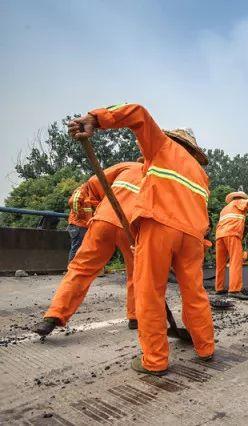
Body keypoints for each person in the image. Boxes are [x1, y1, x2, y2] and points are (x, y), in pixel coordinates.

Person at [68, 103, 214, 376]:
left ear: (171, 139)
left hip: (159, 228)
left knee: (150, 293)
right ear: (194, 152)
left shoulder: (161, 147)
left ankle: (155, 361)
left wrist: (95, 119)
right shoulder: (201, 174)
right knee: (194, 293)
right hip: (193, 237)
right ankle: (205, 347)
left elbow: (137, 112)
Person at [33, 161, 144, 337]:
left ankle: (54, 315)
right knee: (137, 273)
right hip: (132, 228)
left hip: (104, 220)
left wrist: (105, 203)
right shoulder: (161, 178)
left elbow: (94, 182)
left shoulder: (129, 166)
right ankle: (135, 317)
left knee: (80, 269)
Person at [215, 191, 248, 299]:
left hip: (219, 235)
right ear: (241, 197)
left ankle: (219, 288)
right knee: (235, 261)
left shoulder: (225, 208)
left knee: (220, 263)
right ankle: (234, 290)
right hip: (232, 234)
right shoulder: (243, 201)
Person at [66, 185, 96, 262]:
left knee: (81, 248)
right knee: (77, 248)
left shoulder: (89, 192)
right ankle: (72, 271)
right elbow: (73, 201)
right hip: (78, 225)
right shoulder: (83, 190)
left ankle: (78, 270)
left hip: (84, 225)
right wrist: (81, 215)